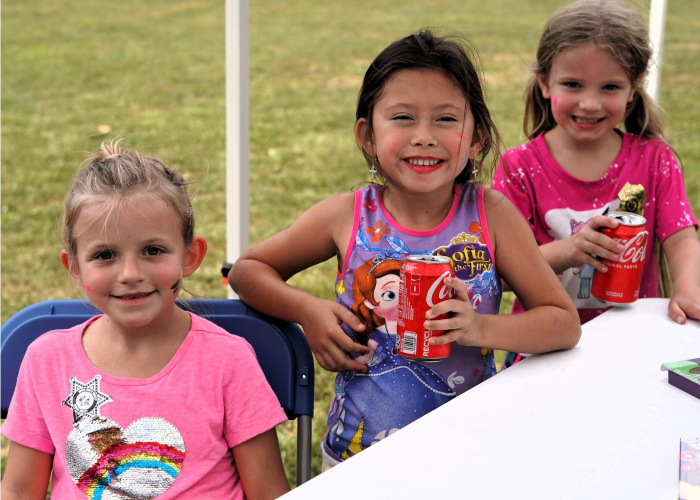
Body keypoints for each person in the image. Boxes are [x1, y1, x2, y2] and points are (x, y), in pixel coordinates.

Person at [229, 29, 581, 469]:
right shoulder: (346, 216)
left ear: (477, 139)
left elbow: (562, 323)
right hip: (357, 460)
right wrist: (305, 310)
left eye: (447, 119)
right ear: (367, 136)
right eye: (402, 118)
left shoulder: (492, 215)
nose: (424, 136)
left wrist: (477, 329)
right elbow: (249, 270)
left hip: (470, 455)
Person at [1, 142, 290, 499]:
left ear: (190, 256)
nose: (130, 274)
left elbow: (269, 493)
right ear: (74, 268)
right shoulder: (46, 360)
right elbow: (17, 490)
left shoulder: (228, 361)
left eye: (152, 251)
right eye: (105, 255)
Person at [492, 0, 700, 339]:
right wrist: (568, 251)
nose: (590, 103)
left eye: (610, 87)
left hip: (633, 338)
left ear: (634, 87)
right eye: (573, 84)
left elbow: (682, 240)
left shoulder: (655, 159)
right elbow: (499, 273)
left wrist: (689, 288)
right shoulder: (519, 167)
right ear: (545, 83)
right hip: (544, 345)